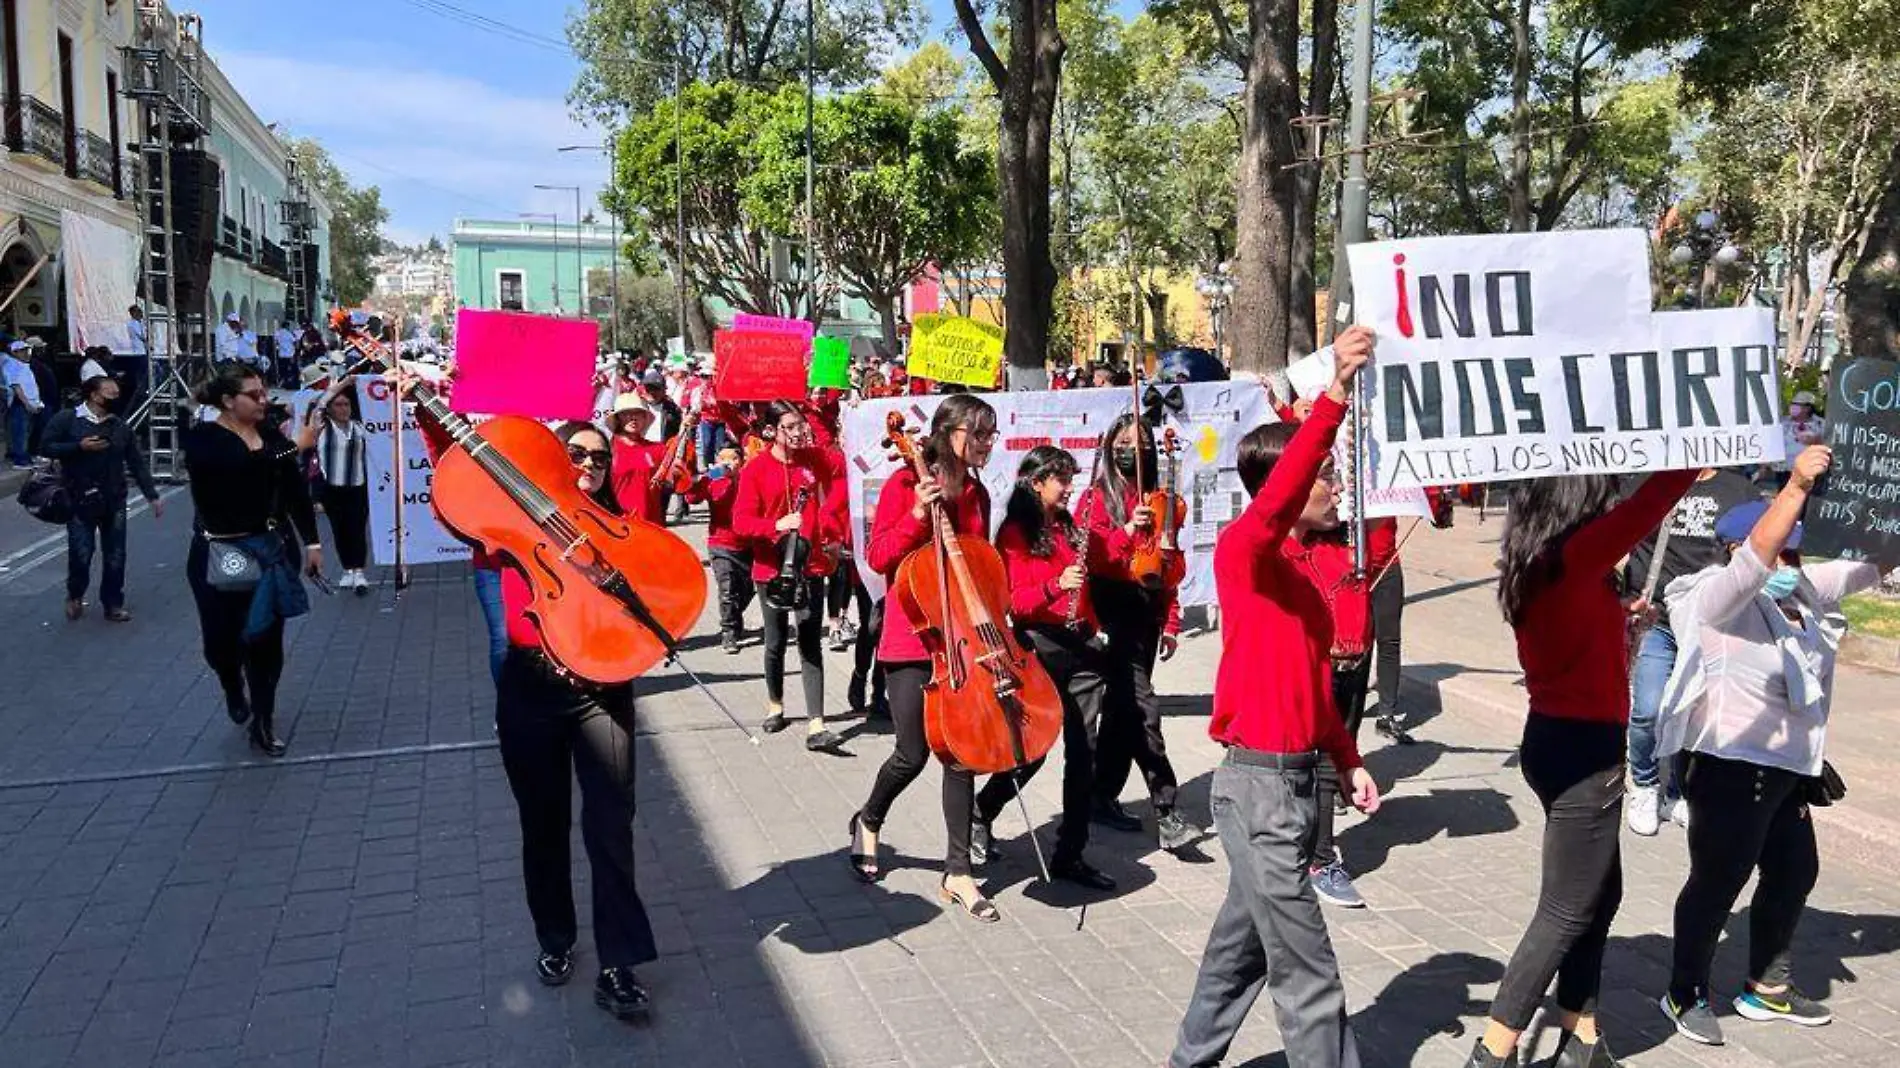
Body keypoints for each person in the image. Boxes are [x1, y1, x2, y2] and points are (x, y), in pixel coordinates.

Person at [1168, 327, 1382, 1068]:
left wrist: (1348, 758)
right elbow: (1287, 486)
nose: (1335, 486)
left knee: (1244, 954)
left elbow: (1316, 690)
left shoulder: (1307, 576)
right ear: (1286, 484)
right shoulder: (1244, 553)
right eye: (1324, 475)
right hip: (1255, 790)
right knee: (1310, 974)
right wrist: (1334, 399)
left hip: (1295, 788)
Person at [412, 400, 657, 1020]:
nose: (589, 464)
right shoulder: (507, 525)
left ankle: (618, 964)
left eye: (600, 458)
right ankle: (556, 937)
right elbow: (456, 482)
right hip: (530, 687)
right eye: (576, 453)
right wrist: (427, 410)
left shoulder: (619, 527)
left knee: (611, 827)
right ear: (552, 461)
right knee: (541, 825)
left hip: (602, 689)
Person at [1469, 464, 1700, 1068]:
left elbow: (1574, 643)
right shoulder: (1572, 558)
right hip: (1582, 751)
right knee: (1567, 908)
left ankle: (1583, 1032)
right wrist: (1689, 462)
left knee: (1601, 890)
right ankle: (1493, 1051)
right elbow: (1642, 512)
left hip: (1553, 737)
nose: (1608, 505)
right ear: (1577, 505)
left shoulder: (1540, 564)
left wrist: (1622, 622)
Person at [1653, 450, 1875, 1047]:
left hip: (1787, 771)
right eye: (1782, 548)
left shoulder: (1799, 593)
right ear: (1736, 548)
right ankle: (1684, 990)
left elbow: (1868, 568)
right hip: (1729, 767)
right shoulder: (1714, 596)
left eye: (1796, 549)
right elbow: (1754, 562)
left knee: (1795, 870)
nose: (1791, 560)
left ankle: (1765, 987)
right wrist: (1798, 484)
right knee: (1717, 882)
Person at [849, 394, 1009, 921]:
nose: (988, 443)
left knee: (960, 753)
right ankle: (869, 819)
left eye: (991, 434)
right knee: (912, 754)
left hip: (962, 641)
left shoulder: (978, 495)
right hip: (910, 637)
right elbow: (877, 558)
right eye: (979, 433)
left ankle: (958, 871)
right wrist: (919, 512)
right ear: (949, 433)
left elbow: (976, 566)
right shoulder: (904, 483)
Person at [967, 445, 1117, 890]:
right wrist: (1056, 585)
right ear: (1037, 483)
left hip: (1082, 644)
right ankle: (982, 810)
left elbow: (1100, 572)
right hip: (1042, 644)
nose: (1069, 488)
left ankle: (1071, 851)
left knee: (1084, 752)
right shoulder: (1015, 533)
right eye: (1062, 480)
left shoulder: (1070, 527)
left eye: (1071, 479)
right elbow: (1015, 601)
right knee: (1033, 747)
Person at [182, 365, 323, 758]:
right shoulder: (205, 440)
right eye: (253, 395)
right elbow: (237, 472)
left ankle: (263, 720)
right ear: (228, 401)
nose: (263, 401)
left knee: (265, 639)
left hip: (270, 549)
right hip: (222, 553)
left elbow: (293, 488)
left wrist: (312, 542)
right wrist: (296, 446)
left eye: (263, 393)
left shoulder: (270, 437)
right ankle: (231, 682)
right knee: (222, 644)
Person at [1075, 413, 1197, 853]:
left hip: (1146, 613)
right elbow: (1088, 557)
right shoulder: (1094, 498)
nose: (1133, 447)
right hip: (1111, 613)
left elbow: (1168, 567)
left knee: (1124, 713)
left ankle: (1101, 795)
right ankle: (1167, 807)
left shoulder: (1162, 499)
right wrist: (1127, 531)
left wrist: (1172, 620)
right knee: (1143, 709)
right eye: (1124, 440)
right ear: (1109, 448)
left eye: (1141, 440)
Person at [1620, 466, 1759, 836]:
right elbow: (1611, 535)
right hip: (1657, 621)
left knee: (1693, 711)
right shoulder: (1644, 482)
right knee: (1648, 709)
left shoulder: (1738, 490)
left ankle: (1675, 791)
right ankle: (1645, 785)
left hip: (1708, 624)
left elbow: (1755, 548)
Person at [732, 401, 847, 752]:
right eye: (791, 427)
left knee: (811, 641)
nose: (799, 432)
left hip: (809, 566)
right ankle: (776, 704)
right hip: (771, 570)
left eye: (802, 425)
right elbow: (740, 523)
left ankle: (817, 723)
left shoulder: (814, 458)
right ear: (771, 431)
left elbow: (842, 476)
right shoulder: (755, 469)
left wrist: (830, 526)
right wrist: (775, 526)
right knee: (775, 640)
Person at [1297, 514, 1398, 910]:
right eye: (1327, 477)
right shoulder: (1289, 547)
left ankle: (1319, 857)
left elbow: (1364, 585)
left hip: (1349, 659)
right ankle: (1308, 857)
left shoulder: (1352, 542)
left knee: (1331, 754)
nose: (1337, 489)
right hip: (1306, 667)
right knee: (1307, 762)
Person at [41, 360, 163, 621]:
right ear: (94, 395)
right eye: (111, 394)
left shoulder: (120, 427)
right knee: (81, 554)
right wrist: (78, 447)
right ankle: (75, 594)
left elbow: (136, 463)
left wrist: (151, 495)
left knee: (116, 555)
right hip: (79, 498)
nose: (115, 398)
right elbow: (46, 446)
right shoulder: (68, 419)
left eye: (117, 394)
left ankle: (113, 604)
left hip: (114, 499)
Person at [295, 380, 373, 593]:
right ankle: (348, 570)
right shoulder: (322, 427)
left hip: (357, 485)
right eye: (338, 404)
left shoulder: (359, 428)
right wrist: (343, 384)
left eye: (346, 404)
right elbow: (320, 403)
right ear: (330, 409)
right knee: (340, 530)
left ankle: (359, 571)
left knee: (357, 529)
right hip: (332, 488)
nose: (343, 409)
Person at [688, 441, 755, 654]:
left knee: (747, 589)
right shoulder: (714, 480)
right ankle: (728, 631)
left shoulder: (749, 480)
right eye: (724, 458)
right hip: (720, 544)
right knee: (727, 589)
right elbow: (692, 497)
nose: (729, 463)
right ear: (717, 460)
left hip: (748, 544)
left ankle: (734, 617)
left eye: (734, 459)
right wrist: (703, 477)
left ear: (742, 462)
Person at [3, 339, 43, 467]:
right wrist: (26, 404)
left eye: (27, 350)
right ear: (15, 353)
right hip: (20, 404)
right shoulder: (13, 365)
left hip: (29, 404)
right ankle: (20, 460)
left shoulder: (23, 365)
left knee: (26, 432)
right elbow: (16, 387)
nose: (26, 353)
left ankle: (25, 456)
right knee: (20, 432)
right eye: (22, 351)